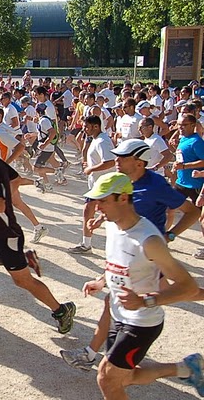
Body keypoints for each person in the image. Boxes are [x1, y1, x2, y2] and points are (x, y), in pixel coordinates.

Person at [61, 140, 200, 370]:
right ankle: (94, 356)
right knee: (173, 291)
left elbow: (193, 211)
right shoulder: (121, 184)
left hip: (149, 252)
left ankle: (90, 355)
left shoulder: (155, 184)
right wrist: (104, 217)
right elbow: (121, 212)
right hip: (131, 251)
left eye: (122, 157)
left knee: (181, 289)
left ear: (139, 162)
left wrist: (171, 235)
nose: (116, 161)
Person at [73, 173, 204, 400]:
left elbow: (188, 287)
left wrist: (145, 301)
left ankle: (188, 368)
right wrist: (101, 281)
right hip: (119, 315)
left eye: (103, 200)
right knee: (125, 377)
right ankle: (187, 368)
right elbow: (118, 264)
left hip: (142, 323)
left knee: (106, 378)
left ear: (123, 198)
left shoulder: (150, 240)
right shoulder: (114, 226)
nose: (97, 206)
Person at [0, 123, 76, 338]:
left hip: (6, 234)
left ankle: (61, 310)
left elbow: (0, 205)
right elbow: (13, 179)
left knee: (22, 281)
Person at [70, 115, 116, 254]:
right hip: (98, 184)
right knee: (103, 214)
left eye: (86, 126)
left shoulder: (103, 141)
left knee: (91, 211)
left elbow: (110, 161)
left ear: (96, 126)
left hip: (103, 185)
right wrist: (89, 165)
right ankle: (86, 244)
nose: (84, 128)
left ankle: (86, 244)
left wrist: (91, 168)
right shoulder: (96, 139)